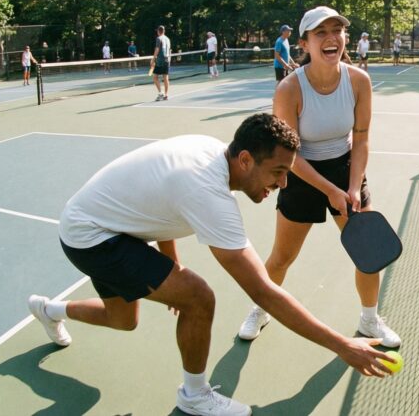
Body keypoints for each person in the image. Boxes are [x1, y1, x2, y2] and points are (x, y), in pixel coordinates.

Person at [25, 114, 395, 416]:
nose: (284, 183)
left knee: (124, 320)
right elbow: (263, 291)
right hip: (92, 237)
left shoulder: (212, 153)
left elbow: (159, 205)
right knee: (198, 297)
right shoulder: (208, 191)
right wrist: (342, 345)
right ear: (246, 159)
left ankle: (49, 309)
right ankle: (195, 394)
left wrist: (170, 263)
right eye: (278, 171)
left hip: (103, 223)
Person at [238, 6, 401, 349]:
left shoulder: (359, 81)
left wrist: (353, 186)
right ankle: (261, 307)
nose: (331, 38)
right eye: (320, 33)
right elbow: (289, 154)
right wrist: (329, 190)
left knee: (367, 251)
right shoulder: (289, 89)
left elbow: (361, 136)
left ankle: (370, 320)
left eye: (336, 31)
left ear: (345, 38)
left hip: (346, 169)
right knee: (282, 257)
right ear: (305, 43)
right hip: (300, 173)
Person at [151, 26, 171, 101]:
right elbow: (169, 50)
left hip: (160, 61)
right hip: (167, 60)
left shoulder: (158, 38)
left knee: (155, 77)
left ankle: (160, 93)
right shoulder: (168, 39)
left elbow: (157, 49)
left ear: (158, 31)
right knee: (165, 78)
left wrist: (153, 59)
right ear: (164, 31)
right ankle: (166, 95)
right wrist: (169, 60)